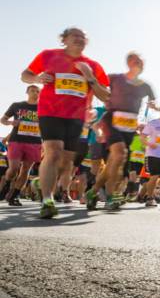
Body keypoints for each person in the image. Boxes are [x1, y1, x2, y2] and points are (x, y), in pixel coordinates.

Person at [22, 27, 110, 219]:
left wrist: (90, 78)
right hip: (50, 112)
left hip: (76, 117)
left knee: (66, 162)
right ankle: (47, 200)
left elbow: (106, 96)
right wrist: (36, 78)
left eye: (83, 37)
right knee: (53, 152)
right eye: (75, 36)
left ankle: (40, 182)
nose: (79, 39)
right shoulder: (48, 55)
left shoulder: (93, 65)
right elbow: (25, 75)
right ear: (64, 39)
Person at [86, 52, 155, 211]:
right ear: (128, 62)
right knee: (119, 153)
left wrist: (153, 105)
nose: (138, 64)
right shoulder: (114, 78)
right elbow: (95, 86)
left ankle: (93, 191)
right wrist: (88, 105)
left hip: (129, 126)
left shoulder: (145, 85)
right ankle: (111, 195)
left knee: (114, 162)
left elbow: (152, 100)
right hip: (112, 119)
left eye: (141, 62)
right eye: (135, 61)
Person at [1, 85, 41, 206]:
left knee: (25, 170)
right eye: (32, 90)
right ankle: (7, 185)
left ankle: (14, 195)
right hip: (16, 140)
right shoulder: (16, 105)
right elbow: (2, 119)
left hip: (35, 142)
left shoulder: (43, 108)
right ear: (27, 92)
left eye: (37, 91)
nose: (35, 93)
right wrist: (10, 122)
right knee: (13, 168)